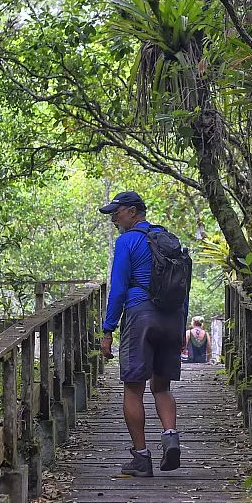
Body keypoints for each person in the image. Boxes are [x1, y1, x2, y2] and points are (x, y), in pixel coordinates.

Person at [98, 191, 185, 478]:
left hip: (140, 317)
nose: (114, 217)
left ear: (134, 212)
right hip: (171, 319)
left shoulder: (127, 241)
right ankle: (170, 436)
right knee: (161, 387)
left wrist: (108, 329)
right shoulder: (169, 240)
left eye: (117, 211)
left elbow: (119, 289)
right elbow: (182, 287)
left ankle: (141, 457)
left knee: (133, 388)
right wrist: (181, 326)